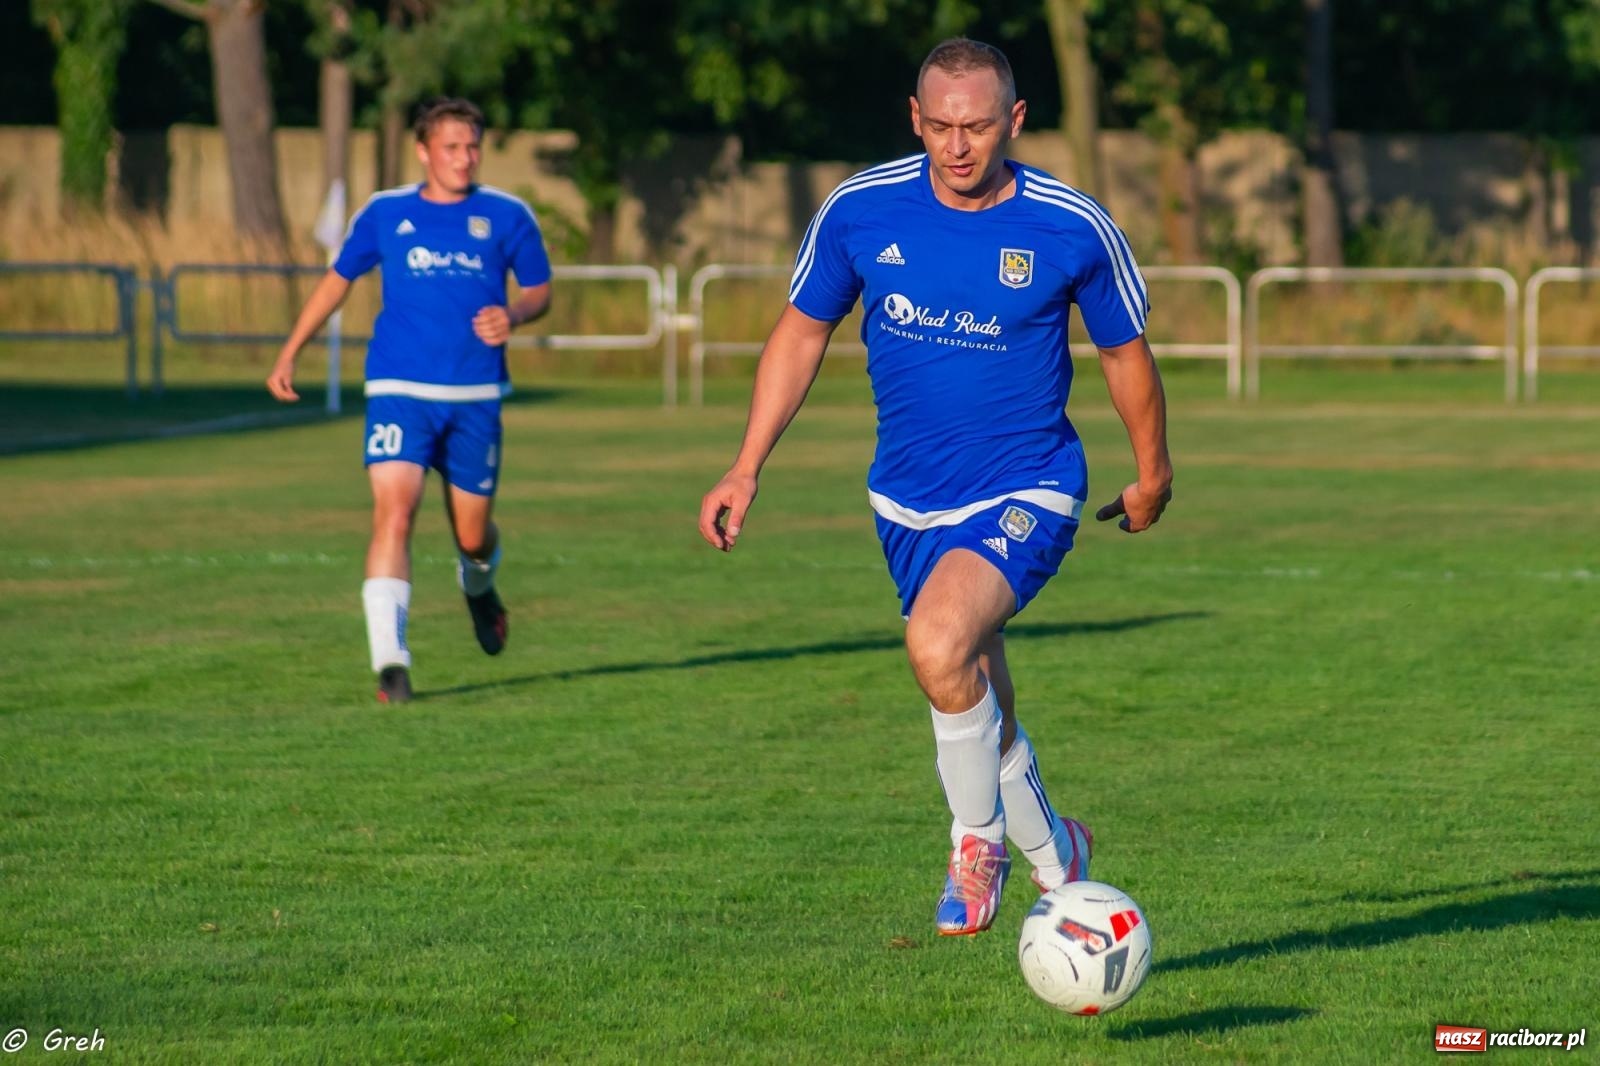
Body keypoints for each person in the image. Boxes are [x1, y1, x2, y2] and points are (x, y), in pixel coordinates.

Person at [697, 38, 1172, 936]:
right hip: (906, 500)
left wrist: (1153, 472)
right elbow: (801, 335)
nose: (959, 145)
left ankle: (975, 842)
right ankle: (1056, 853)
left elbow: (1124, 354)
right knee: (973, 692)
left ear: (1016, 121)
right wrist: (745, 463)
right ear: (916, 119)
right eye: (942, 125)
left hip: (1027, 482)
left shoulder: (1070, 225)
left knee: (937, 643)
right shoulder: (858, 211)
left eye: (980, 125)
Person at [267, 97, 553, 704]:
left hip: (476, 395)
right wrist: (292, 348)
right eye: (451, 147)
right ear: (423, 151)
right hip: (399, 390)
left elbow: (538, 289)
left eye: (472, 145)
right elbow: (338, 279)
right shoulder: (385, 213)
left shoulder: (506, 216)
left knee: (473, 537)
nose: (464, 158)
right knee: (394, 512)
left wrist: (516, 313)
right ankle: (391, 665)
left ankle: (479, 588)